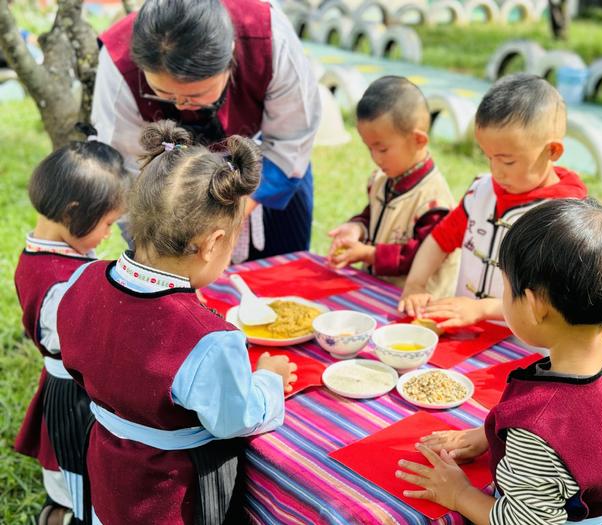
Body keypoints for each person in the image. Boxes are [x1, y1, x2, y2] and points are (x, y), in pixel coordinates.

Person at [58, 121, 297, 524]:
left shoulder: (83, 279)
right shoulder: (209, 340)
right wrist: (268, 380)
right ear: (211, 243)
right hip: (170, 491)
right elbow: (233, 420)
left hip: (107, 459)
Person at [397, 198, 602, 525]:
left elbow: (522, 521)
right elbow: (586, 442)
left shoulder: (538, 426)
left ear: (535, 305)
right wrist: (492, 436)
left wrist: (459, 494)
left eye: (505, 288)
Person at [92, 0, 321, 261]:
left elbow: (291, 140)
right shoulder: (120, 62)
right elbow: (126, 169)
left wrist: (233, 211)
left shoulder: (266, 36)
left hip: (267, 172)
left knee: (276, 280)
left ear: (231, 59)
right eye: (164, 93)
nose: (180, 105)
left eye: (197, 95)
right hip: (170, 188)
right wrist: (160, 249)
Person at [398, 74, 587, 330]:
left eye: (508, 161)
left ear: (551, 151)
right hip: (466, 335)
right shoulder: (482, 192)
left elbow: (550, 299)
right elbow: (439, 240)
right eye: (489, 157)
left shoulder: (564, 218)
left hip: (523, 347)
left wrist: (482, 309)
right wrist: (415, 284)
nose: (497, 172)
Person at [14, 127, 128, 525]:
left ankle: (64, 508)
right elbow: (85, 347)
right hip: (75, 398)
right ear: (73, 212)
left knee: (73, 476)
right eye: (108, 223)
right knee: (81, 477)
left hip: (66, 388)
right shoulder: (66, 285)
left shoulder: (37, 254)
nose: (109, 234)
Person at [327, 76, 459, 297]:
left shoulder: (433, 201)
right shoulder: (382, 180)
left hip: (416, 306)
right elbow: (372, 215)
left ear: (418, 140)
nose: (376, 158)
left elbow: (418, 255)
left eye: (382, 149)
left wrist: (368, 254)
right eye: (369, 149)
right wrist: (357, 228)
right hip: (378, 293)